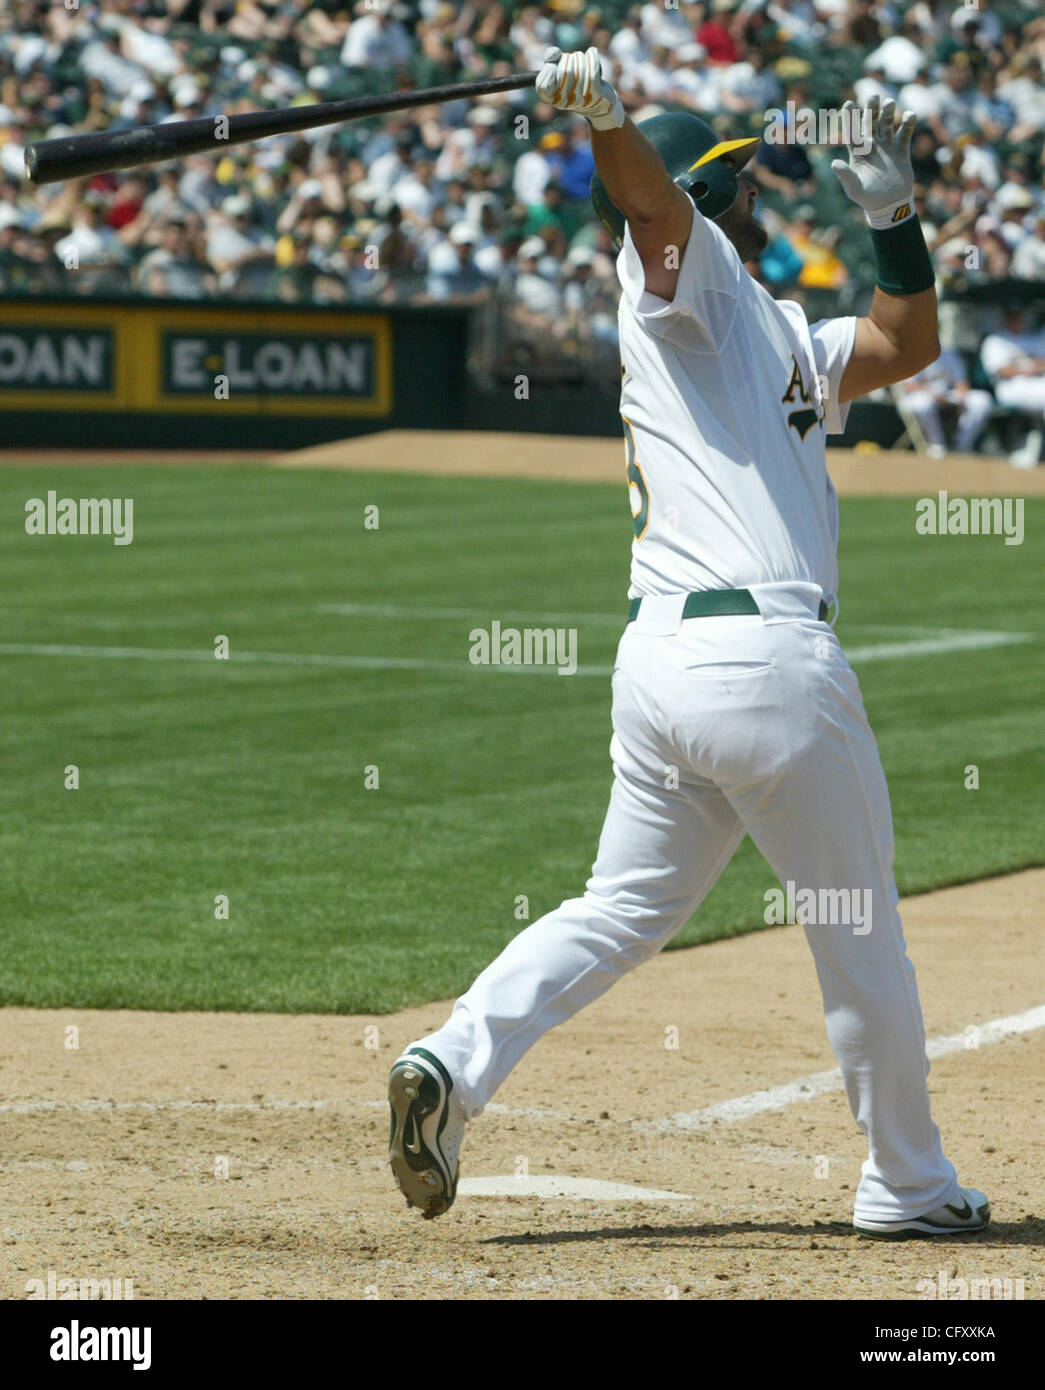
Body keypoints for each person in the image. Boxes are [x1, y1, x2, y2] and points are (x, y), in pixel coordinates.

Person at [387, 50, 989, 1241]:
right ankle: (909, 1185)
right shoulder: (687, 275)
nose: (763, 200)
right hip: (763, 660)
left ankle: (452, 1063)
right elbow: (652, 206)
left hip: (662, 669)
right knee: (853, 918)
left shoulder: (769, 326)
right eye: (746, 187)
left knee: (619, 905)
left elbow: (901, 346)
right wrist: (609, 120)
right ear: (708, 197)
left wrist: (895, 219)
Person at [980, 305, 1045, 469]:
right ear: (1005, 319)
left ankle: (1033, 442)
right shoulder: (995, 340)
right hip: (1009, 388)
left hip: (1035, 383)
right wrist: (1030, 366)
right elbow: (1003, 371)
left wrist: (1024, 367)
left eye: (1020, 316)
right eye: (1013, 317)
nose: (1018, 320)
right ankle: (1031, 443)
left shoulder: (1031, 337)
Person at [899, 348, 993, 457]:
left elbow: (961, 381)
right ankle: (936, 444)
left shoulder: (948, 354)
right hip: (919, 395)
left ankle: (962, 445)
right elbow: (908, 385)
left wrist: (961, 397)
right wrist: (934, 395)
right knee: (923, 404)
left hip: (946, 394)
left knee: (982, 400)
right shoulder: (913, 353)